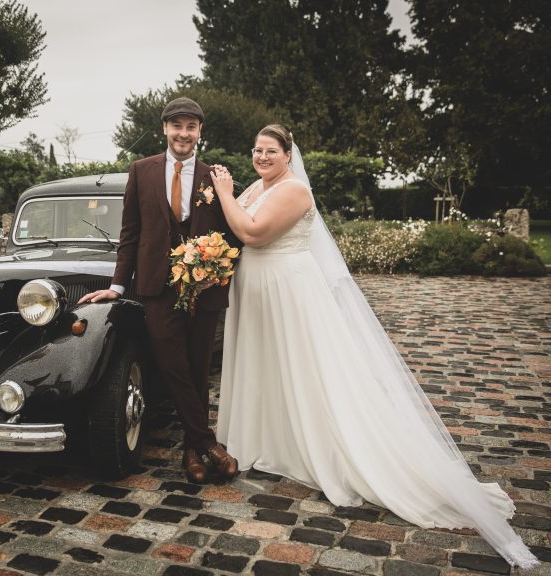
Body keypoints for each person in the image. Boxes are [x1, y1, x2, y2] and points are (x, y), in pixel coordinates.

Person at [208, 124, 539, 568]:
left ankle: (328, 447)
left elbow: (251, 233)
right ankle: (270, 437)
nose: (262, 156)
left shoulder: (294, 191)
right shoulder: (258, 185)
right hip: (258, 291)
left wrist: (224, 192)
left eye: (271, 150)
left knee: (305, 369)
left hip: (289, 290)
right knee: (268, 368)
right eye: (257, 149)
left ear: (288, 155)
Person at [79, 97, 239, 483]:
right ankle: (208, 442)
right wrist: (117, 286)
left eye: (191, 127)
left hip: (205, 287)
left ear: (200, 132)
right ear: (164, 129)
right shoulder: (141, 170)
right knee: (171, 364)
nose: (184, 134)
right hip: (155, 286)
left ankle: (192, 454)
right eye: (177, 126)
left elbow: (234, 228)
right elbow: (129, 232)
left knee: (198, 367)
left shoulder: (214, 176)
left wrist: (214, 264)